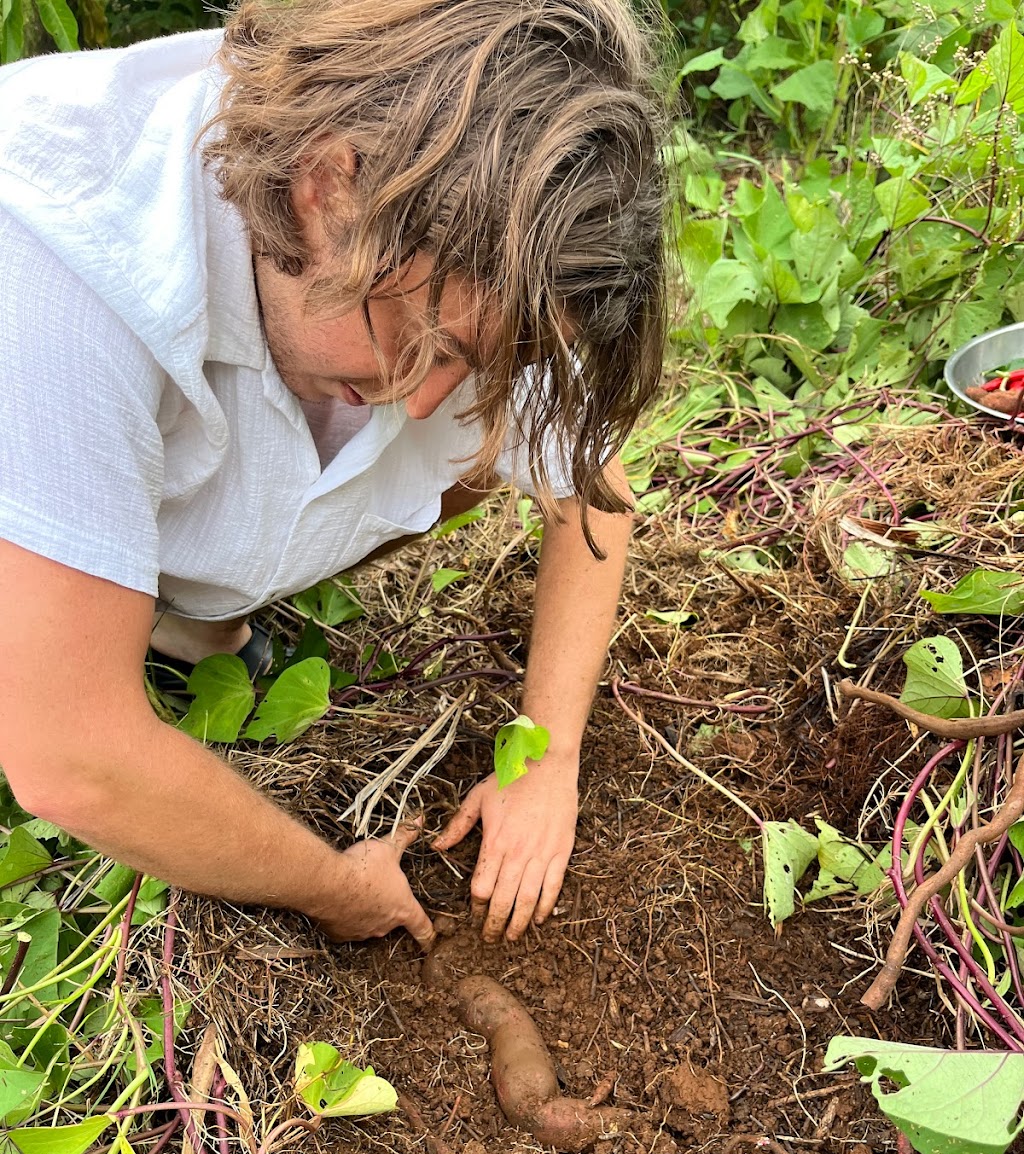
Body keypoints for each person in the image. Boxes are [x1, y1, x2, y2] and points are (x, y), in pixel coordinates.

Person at [0, 0, 666, 951]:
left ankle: (193, 617)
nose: (429, 399)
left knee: (471, 448)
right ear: (326, 185)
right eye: (428, 343)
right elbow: (73, 760)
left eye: (471, 360)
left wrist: (546, 759)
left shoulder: (474, 252)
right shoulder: (57, 259)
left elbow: (595, 494)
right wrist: (332, 886)